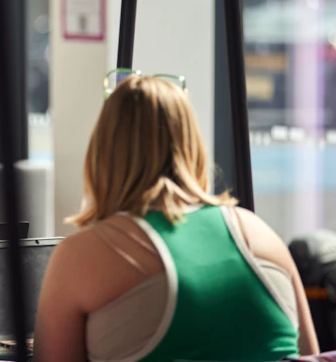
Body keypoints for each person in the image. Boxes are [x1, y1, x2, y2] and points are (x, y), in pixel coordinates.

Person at [35, 75, 318, 362]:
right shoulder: (260, 234)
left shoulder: (86, 254)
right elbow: (314, 357)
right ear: (192, 146)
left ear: (102, 152)